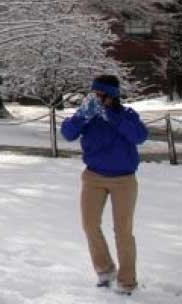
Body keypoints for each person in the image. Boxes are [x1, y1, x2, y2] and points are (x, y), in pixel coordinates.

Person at [60, 75, 149, 295]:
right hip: (93, 177)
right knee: (90, 225)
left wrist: (111, 116)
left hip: (124, 180)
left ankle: (127, 282)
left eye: (101, 95)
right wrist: (81, 115)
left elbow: (139, 136)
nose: (96, 98)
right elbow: (67, 133)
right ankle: (105, 270)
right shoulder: (88, 115)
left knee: (123, 231)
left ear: (113, 96)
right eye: (94, 94)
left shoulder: (126, 115)